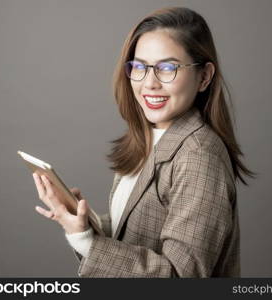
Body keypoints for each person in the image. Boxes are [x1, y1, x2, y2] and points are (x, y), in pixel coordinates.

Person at [32, 7, 255, 277]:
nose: (149, 83)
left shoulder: (199, 155)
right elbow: (133, 235)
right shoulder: (148, 138)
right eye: (139, 66)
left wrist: (88, 242)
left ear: (204, 77)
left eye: (167, 68)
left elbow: (182, 276)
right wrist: (82, 223)